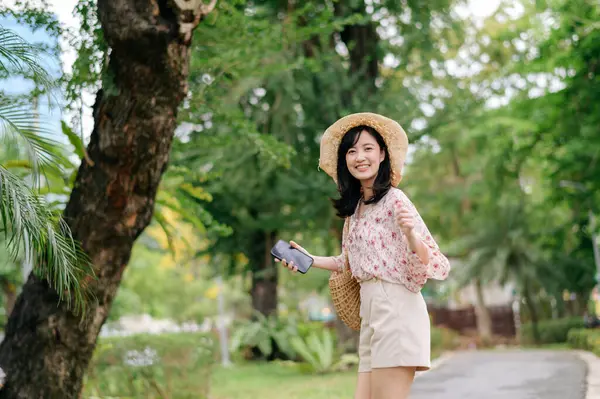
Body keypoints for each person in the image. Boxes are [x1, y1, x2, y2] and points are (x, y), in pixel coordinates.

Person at [275, 113, 451, 399]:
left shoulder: (395, 199)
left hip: (396, 309)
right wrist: (308, 258)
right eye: (351, 151)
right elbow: (348, 262)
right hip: (370, 316)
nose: (359, 156)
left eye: (368, 148)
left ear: (382, 154)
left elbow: (433, 261)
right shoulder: (356, 211)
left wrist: (409, 234)